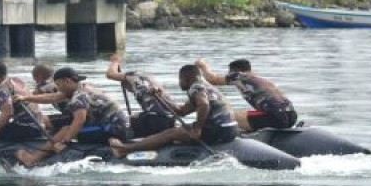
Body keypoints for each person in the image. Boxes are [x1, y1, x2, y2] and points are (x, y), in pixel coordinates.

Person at [110, 64, 239, 159]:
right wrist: (161, 97)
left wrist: (198, 128)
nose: (179, 82)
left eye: (180, 79)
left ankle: (125, 150)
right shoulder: (206, 87)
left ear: (186, 78)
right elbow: (181, 111)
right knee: (180, 131)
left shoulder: (196, 87)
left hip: (217, 130)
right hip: (231, 129)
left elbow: (203, 104)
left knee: (169, 134)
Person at [13, 67, 130, 167]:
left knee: (66, 129)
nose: (58, 88)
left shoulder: (79, 96)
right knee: (64, 125)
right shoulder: (83, 88)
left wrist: (65, 142)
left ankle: (33, 159)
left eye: (58, 84)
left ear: (67, 81)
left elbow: (79, 120)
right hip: (116, 125)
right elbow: (53, 97)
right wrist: (26, 98)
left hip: (112, 129)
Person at [196, 58, 297, 131]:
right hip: (291, 116)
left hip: (274, 117)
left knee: (223, 115)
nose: (228, 76)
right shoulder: (256, 78)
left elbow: (212, 80)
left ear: (234, 71)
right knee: (241, 116)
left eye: (229, 73)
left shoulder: (239, 76)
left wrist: (202, 65)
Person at [106, 53, 178, 136]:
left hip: (156, 122)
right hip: (169, 121)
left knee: (122, 123)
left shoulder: (133, 78)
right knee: (134, 116)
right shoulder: (151, 80)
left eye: (126, 87)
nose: (129, 90)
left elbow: (110, 74)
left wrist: (115, 61)